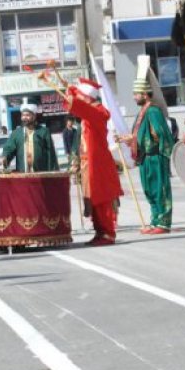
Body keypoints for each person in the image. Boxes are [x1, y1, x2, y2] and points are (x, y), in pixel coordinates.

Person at [118, 55, 174, 234]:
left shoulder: (153, 111)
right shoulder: (142, 112)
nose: (134, 97)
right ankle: (154, 221)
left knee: (160, 190)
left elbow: (161, 134)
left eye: (136, 94)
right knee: (150, 191)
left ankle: (163, 223)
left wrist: (136, 141)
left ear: (145, 94)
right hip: (144, 158)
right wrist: (130, 139)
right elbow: (140, 135)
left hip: (155, 157)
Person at [64, 77, 123, 246]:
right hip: (88, 163)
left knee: (102, 197)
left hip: (99, 163)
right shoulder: (89, 114)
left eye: (82, 96)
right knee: (92, 198)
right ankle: (99, 231)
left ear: (88, 97)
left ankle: (107, 233)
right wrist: (71, 92)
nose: (80, 99)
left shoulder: (99, 112)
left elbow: (81, 108)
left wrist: (72, 97)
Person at [0, 99, 58, 172]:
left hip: (41, 174)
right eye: (23, 115)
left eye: (27, 115)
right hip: (23, 175)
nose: (24, 118)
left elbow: (51, 155)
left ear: (34, 116)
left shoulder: (44, 132)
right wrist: (4, 157)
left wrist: (53, 173)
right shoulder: (16, 133)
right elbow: (9, 148)